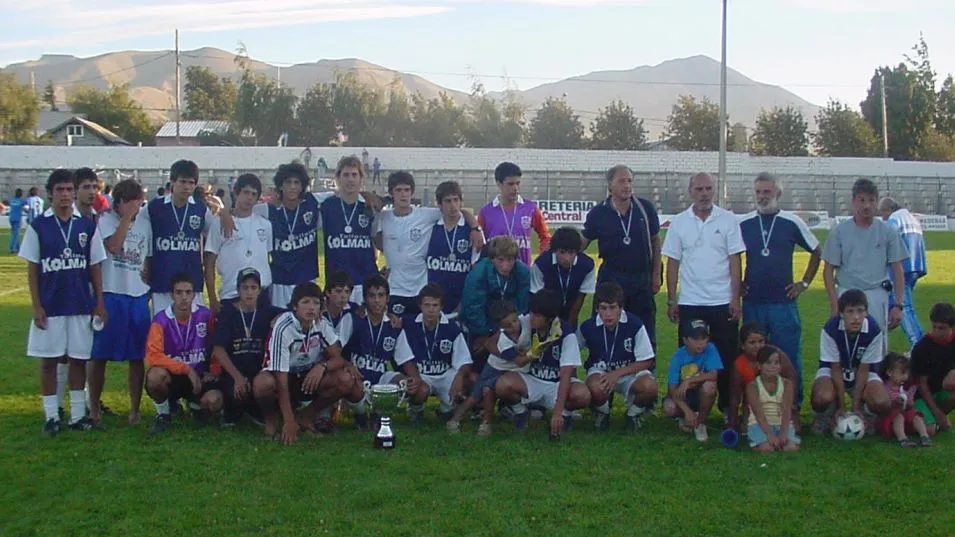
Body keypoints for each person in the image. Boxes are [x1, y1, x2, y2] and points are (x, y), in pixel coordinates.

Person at [20, 169, 107, 435]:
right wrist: (36, 305)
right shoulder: (39, 226)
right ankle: (51, 416)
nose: (66, 195)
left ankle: (78, 415)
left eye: (70, 189)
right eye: (60, 190)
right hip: (51, 305)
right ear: (50, 193)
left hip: (80, 304)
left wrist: (99, 302)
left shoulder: (86, 225)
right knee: (49, 361)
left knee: (79, 360)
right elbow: (33, 269)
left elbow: (94, 267)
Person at [662, 172, 745, 412]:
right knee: (691, 362)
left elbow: (735, 261)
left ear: (715, 191)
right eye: (699, 189)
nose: (704, 194)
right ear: (690, 191)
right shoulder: (679, 222)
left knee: (728, 358)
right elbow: (673, 262)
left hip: (722, 302)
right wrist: (671, 299)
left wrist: (735, 298)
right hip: (690, 302)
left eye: (709, 189)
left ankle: (729, 409)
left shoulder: (728, 220)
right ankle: (691, 409)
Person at [739, 173, 820, 410]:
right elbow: (730, 256)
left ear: (778, 194)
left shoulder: (791, 222)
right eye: (758, 192)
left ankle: (792, 405)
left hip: (783, 303)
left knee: (787, 356)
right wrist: (738, 284)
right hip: (753, 302)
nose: (762, 197)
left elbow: (816, 251)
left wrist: (803, 283)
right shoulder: (744, 224)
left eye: (767, 192)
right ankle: (756, 406)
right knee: (753, 357)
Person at [255, 282, 356, 445]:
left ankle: (306, 417)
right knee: (263, 384)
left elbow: (338, 358)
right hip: (282, 376)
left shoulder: (321, 323)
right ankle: (273, 421)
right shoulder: (284, 326)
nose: (311, 308)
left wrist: (321, 367)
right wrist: (289, 421)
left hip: (308, 376)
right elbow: (281, 379)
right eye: (306, 302)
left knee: (345, 379)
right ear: (295, 306)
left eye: (316, 303)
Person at [88, 180, 152, 425]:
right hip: (111, 294)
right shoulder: (105, 221)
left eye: (140, 200)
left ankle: (134, 410)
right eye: (132, 201)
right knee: (99, 355)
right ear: (121, 202)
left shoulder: (145, 225)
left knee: (137, 357)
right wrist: (125, 219)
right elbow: (113, 246)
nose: (137, 206)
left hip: (136, 296)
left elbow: (149, 259)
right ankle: (94, 408)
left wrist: (147, 283)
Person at [375, 171, 481, 317]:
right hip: (394, 288)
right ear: (391, 193)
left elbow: (457, 211)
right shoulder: (383, 217)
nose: (403, 194)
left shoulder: (425, 214)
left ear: (412, 192)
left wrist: (475, 228)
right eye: (398, 190)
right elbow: (377, 241)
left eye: (407, 190)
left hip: (421, 288)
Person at [822, 179, 907, 354]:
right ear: (854, 202)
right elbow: (828, 270)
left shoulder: (887, 232)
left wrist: (898, 305)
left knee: (877, 348)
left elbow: (897, 269)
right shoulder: (839, 232)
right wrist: (834, 304)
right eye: (862, 200)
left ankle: (876, 381)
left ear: (877, 202)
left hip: (876, 295)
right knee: (846, 347)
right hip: (847, 294)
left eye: (871, 200)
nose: (867, 205)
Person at [492, 289, 590, 438]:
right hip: (530, 379)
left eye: (537, 315)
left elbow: (565, 375)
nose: (532, 318)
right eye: (531, 312)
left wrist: (557, 413)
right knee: (502, 385)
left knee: (582, 395)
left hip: (555, 383)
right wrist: (512, 356)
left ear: (550, 318)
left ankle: (564, 415)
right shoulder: (523, 322)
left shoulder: (566, 334)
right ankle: (520, 412)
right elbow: (491, 342)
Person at [581, 165, 661, 346]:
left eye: (630, 181)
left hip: (641, 278)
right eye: (621, 181)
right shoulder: (599, 213)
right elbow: (582, 242)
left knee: (644, 328)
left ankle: (646, 370)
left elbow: (656, 242)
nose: (627, 185)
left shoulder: (645, 208)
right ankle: (603, 365)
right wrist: (564, 249)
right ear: (610, 185)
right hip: (612, 276)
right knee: (605, 325)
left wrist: (656, 275)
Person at [144, 273, 221, 434]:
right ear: (172, 295)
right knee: (154, 377)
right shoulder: (161, 320)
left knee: (215, 401)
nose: (184, 297)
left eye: (188, 292)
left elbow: (217, 346)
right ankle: (163, 414)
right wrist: (186, 369)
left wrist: (214, 370)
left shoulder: (205, 315)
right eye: (179, 292)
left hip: (200, 377)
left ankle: (196, 406)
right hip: (175, 377)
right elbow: (153, 356)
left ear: (194, 294)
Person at [341, 276, 418, 430]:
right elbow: (336, 349)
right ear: (364, 298)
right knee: (351, 382)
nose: (377, 300)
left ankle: (380, 414)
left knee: (402, 382)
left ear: (388, 298)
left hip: (380, 378)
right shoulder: (353, 319)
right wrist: (347, 365)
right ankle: (360, 416)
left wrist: (415, 380)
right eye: (372, 296)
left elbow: (406, 360)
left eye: (381, 295)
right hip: (358, 376)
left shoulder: (394, 326)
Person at [578, 282, 656, 431]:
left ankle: (634, 414)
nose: (608, 314)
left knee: (649, 386)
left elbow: (646, 360)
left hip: (629, 371)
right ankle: (602, 413)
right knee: (595, 386)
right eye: (603, 308)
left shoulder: (634, 324)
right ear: (596, 309)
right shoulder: (588, 327)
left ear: (621, 308)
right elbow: (572, 349)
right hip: (601, 372)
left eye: (613, 308)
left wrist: (616, 374)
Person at [810, 289, 891, 434]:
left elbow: (864, 369)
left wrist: (855, 408)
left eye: (860, 311)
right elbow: (834, 368)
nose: (856, 317)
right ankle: (827, 413)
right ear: (841, 314)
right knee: (821, 397)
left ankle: (867, 415)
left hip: (862, 372)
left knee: (882, 402)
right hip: (833, 371)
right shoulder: (831, 329)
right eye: (850, 311)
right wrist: (842, 406)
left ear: (866, 312)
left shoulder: (873, 330)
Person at [211, 268, 284, 427]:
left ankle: (257, 410)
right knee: (233, 395)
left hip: (258, 373)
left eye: (253, 288)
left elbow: (294, 312)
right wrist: (237, 377)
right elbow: (218, 349)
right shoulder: (228, 312)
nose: (249, 293)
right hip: (233, 373)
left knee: (264, 387)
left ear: (259, 290)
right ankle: (232, 411)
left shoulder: (266, 311)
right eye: (245, 288)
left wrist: (280, 318)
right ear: (238, 290)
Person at [446, 300, 530, 436]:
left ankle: (510, 415)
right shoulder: (504, 340)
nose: (513, 326)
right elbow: (519, 361)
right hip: (496, 366)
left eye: (515, 320)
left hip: (516, 371)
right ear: (500, 327)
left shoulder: (526, 321)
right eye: (508, 325)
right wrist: (535, 352)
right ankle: (455, 420)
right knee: (479, 392)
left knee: (500, 389)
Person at [393, 284, 473, 423]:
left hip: (443, 374)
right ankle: (415, 409)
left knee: (464, 385)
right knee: (421, 390)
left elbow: (464, 360)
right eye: (427, 305)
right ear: (420, 306)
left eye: (435, 305)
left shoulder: (452, 328)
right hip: (420, 374)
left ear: (441, 307)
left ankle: (445, 409)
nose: (430, 310)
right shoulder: (407, 323)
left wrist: (459, 377)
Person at [143, 160, 213, 314]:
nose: (187, 187)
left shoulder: (200, 209)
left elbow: (215, 237)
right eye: (182, 181)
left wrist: (226, 214)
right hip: (162, 283)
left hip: (192, 284)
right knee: (163, 331)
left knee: (192, 332)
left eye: (191, 182)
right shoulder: (154, 207)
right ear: (172, 182)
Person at [204, 173, 273, 314]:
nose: (249, 198)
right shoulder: (220, 223)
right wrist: (212, 297)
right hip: (231, 292)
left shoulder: (265, 224)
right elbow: (209, 261)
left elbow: (267, 257)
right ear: (236, 193)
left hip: (261, 293)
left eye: (254, 194)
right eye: (246, 192)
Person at [460, 236, 531, 364]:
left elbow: (523, 304)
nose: (505, 266)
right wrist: (485, 333)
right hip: (481, 325)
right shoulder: (478, 273)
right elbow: (473, 307)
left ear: (516, 259)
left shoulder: (523, 272)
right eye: (501, 260)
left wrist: (505, 329)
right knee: (478, 361)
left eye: (510, 260)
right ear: (492, 259)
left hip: (510, 326)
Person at [320, 156, 379, 304]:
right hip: (337, 285)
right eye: (345, 175)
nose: (350, 179)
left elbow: (377, 240)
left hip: (365, 281)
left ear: (361, 179)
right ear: (338, 179)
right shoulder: (327, 206)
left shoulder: (370, 206)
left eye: (354, 175)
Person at [728, 323, 797, 432]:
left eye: (761, 341)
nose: (758, 346)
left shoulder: (776, 354)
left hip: (779, 402)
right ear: (742, 345)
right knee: (747, 429)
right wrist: (731, 424)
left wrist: (790, 403)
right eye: (752, 342)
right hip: (754, 405)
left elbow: (791, 376)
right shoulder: (739, 365)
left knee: (796, 429)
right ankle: (745, 419)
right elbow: (735, 396)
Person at [477, 162, 551, 266]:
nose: (515, 188)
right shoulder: (486, 212)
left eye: (518, 183)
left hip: (523, 273)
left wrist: (541, 259)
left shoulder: (530, 208)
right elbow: (478, 244)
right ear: (499, 183)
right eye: (511, 184)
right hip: (494, 273)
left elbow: (546, 237)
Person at [426, 181, 482, 318]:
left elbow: (477, 271)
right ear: (439, 205)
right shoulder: (430, 228)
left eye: (456, 200)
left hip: (462, 302)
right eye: (448, 201)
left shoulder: (473, 231)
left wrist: (465, 302)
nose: (453, 205)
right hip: (434, 302)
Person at [878, 196, 927, 347]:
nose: (882, 217)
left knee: (903, 308)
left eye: (883, 212)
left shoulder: (894, 219)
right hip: (916, 265)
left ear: (889, 210)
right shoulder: (910, 217)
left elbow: (886, 238)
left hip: (902, 267)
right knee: (905, 306)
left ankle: (917, 345)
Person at [662, 319, 722, 442]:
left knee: (710, 386)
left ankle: (700, 421)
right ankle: (685, 416)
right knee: (669, 407)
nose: (700, 343)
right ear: (685, 340)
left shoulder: (710, 349)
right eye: (695, 339)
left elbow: (713, 375)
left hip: (699, 392)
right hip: (682, 395)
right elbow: (672, 389)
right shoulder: (678, 356)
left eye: (704, 338)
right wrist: (686, 410)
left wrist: (688, 381)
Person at [531, 226, 596, 327]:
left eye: (571, 253)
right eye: (562, 252)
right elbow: (536, 296)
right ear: (554, 250)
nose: (566, 258)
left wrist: (569, 326)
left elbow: (580, 297)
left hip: (570, 311)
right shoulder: (541, 263)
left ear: (577, 251)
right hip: (545, 312)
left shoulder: (587, 266)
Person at [746, 346, 800, 453]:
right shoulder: (753, 386)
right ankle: (758, 444)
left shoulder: (787, 384)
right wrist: (770, 435)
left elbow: (786, 409)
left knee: (790, 448)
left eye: (776, 363)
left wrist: (783, 433)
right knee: (767, 448)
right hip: (760, 424)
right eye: (768, 363)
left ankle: (783, 440)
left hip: (781, 423)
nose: (773, 366)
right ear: (759, 366)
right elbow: (758, 413)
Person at [911, 302, 955, 434]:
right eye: (934, 327)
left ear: (952, 327)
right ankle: (915, 416)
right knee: (929, 431)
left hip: (941, 390)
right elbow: (921, 384)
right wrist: (938, 412)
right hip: (921, 395)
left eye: (941, 328)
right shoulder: (922, 347)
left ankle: (935, 417)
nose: (936, 331)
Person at [877, 352, 932, 447]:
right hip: (890, 421)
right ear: (889, 372)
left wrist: (909, 403)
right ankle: (903, 439)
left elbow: (911, 404)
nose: (905, 377)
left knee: (915, 414)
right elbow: (884, 406)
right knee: (898, 416)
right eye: (902, 373)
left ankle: (924, 436)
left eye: (907, 373)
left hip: (906, 421)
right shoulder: (883, 387)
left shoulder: (905, 388)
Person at [7, 188, 25, 253]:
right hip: (17, 218)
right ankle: (12, 248)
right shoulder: (21, 201)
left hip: (11, 218)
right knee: (15, 234)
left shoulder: (12, 200)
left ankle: (18, 247)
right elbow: (26, 206)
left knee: (14, 233)